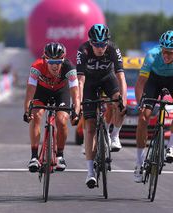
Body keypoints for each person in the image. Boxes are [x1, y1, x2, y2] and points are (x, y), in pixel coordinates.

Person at [133, 30, 173, 182]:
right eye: (164, 52)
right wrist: (140, 102)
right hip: (153, 81)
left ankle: (170, 147)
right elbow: (140, 83)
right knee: (143, 117)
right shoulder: (152, 55)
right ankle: (139, 163)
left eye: (170, 53)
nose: (166, 56)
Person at [77, 24, 127, 188]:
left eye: (103, 44)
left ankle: (114, 136)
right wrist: (79, 103)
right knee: (90, 127)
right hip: (89, 84)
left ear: (108, 42)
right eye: (96, 44)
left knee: (119, 103)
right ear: (90, 43)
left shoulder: (113, 49)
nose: (100, 48)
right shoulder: (83, 51)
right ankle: (90, 173)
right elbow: (80, 81)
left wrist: (123, 100)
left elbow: (121, 76)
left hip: (108, 79)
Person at [23, 42, 80, 173]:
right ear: (45, 59)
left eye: (58, 62)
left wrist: (76, 112)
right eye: (51, 62)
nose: (55, 66)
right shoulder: (36, 67)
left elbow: (75, 94)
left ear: (63, 59)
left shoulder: (69, 68)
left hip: (61, 92)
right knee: (36, 115)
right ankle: (34, 156)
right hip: (41, 91)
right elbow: (30, 92)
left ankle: (60, 155)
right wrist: (27, 111)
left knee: (61, 120)